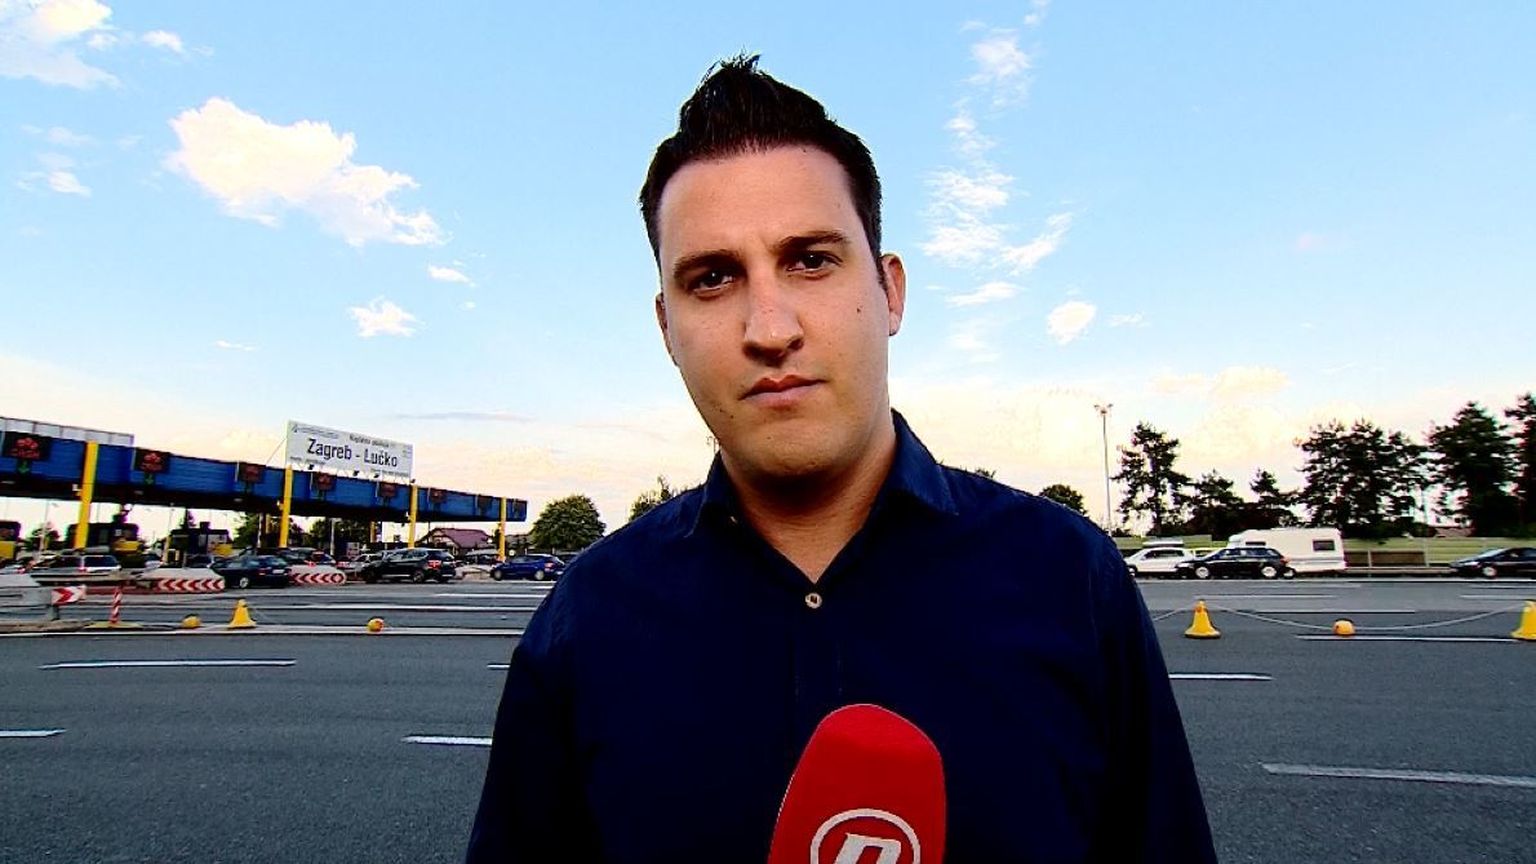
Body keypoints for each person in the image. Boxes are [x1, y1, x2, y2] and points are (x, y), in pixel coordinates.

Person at [467, 55, 1216, 863]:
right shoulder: (585, 620)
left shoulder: (1070, 579)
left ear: (891, 292)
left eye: (810, 260)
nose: (770, 329)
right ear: (666, 328)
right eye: (713, 278)